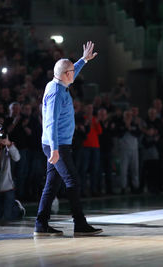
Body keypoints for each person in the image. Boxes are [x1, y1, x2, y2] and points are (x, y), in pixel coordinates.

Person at [34, 41, 102, 236]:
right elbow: (51, 123)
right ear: (66, 75)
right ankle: (79, 224)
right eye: (72, 71)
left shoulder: (58, 83)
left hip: (56, 144)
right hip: (57, 145)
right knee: (72, 180)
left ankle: (41, 223)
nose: (75, 73)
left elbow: (69, 71)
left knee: (52, 183)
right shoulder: (56, 92)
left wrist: (83, 60)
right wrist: (55, 149)